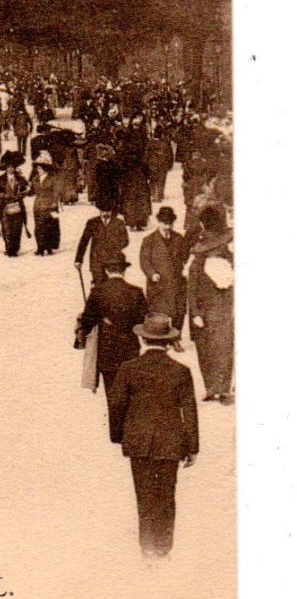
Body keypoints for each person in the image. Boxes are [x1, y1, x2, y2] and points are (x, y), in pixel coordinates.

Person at [108, 313, 199, 559]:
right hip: (171, 442)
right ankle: (164, 546)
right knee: (167, 495)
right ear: (168, 342)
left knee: (144, 494)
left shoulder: (128, 369)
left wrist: (119, 437)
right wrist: (193, 447)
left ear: (143, 340)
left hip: (138, 442)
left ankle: (147, 546)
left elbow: (116, 405)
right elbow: (189, 410)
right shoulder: (181, 371)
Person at [77, 256, 148, 426]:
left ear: (107, 271)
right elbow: (143, 321)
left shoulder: (97, 292)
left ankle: (116, 432)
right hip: (130, 348)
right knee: (131, 389)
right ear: (124, 270)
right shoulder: (136, 292)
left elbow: (87, 321)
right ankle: (132, 427)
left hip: (107, 350)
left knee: (112, 391)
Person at [187, 205, 234, 403]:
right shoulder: (197, 265)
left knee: (224, 349)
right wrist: (195, 313)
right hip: (204, 315)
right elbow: (191, 290)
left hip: (224, 314)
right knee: (205, 351)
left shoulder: (231, 261)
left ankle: (222, 388)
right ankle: (210, 387)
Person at [139, 206, 189, 331]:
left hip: (177, 281)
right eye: (164, 223)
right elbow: (144, 261)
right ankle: (160, 337)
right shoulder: (149, 240)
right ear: (159, 222)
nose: (167, 227)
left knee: (179, 310)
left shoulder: (179, 238)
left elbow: (185, 257)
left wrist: (186, 268)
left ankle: (176, 337)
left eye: (170, 223)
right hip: (158, 282)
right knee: (159, 311)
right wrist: (152, 274)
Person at [74, 204, 131, 285]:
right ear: (99, 211)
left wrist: (114, 246)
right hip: (97, 261)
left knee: (114, 287)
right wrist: (78, 260)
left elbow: (125, 241)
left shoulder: (119, 223)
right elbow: (84, 241)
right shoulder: (92, 223)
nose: (106, 214)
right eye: (103, 211)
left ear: (111, 211)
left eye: (108, 212)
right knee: (99, 287)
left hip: (115, 261)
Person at [0, 152, 30, 256]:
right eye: (8, 167)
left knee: (17, 228)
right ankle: (9, 249)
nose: (10, 169)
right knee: (7, 228)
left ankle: (16, 248)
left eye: (12, 167)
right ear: (5, 168)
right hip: (4, 206)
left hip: (18, 206)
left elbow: (27, 189)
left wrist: (20, 195)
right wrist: (4, 196)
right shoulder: (0, 179)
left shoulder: (20, 178)